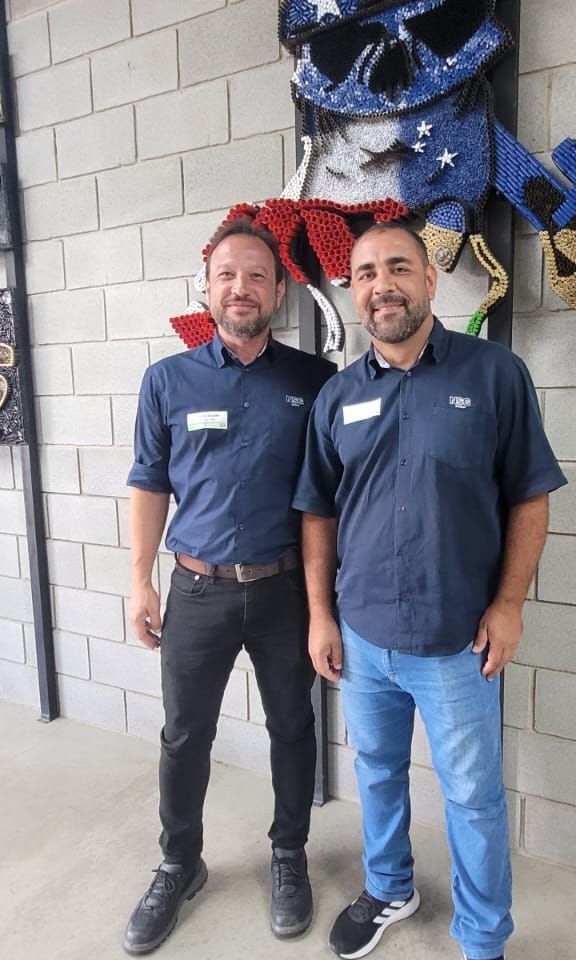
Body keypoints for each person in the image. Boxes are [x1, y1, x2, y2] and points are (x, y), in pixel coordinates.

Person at [292, 222, 567, 960]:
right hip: (362, 634)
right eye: (366, 273)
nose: (382, 285)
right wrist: (321, 615)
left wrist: (509, 605)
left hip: (456, 639)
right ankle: (389, 886)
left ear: (430, 279)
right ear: (353, 291)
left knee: (473, 798)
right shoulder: (338, 395)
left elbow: (531, 497)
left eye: (398, 267)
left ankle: (482, 938)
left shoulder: (495, 374)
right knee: (376, 772)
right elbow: (317, 512)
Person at [123, 219, 335, 955]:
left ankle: (289, 855)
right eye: (226, 275)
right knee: (185, 735)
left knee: (293, 727)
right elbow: (149, 483)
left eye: (256, 276)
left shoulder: (315, 382)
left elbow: (329, 498)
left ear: (279, 291)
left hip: (284, 593)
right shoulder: (168, 382)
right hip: (197, 591)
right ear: (207, 288)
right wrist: (139, 581)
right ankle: (179, 863)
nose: (240, 287)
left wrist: (325, 602)